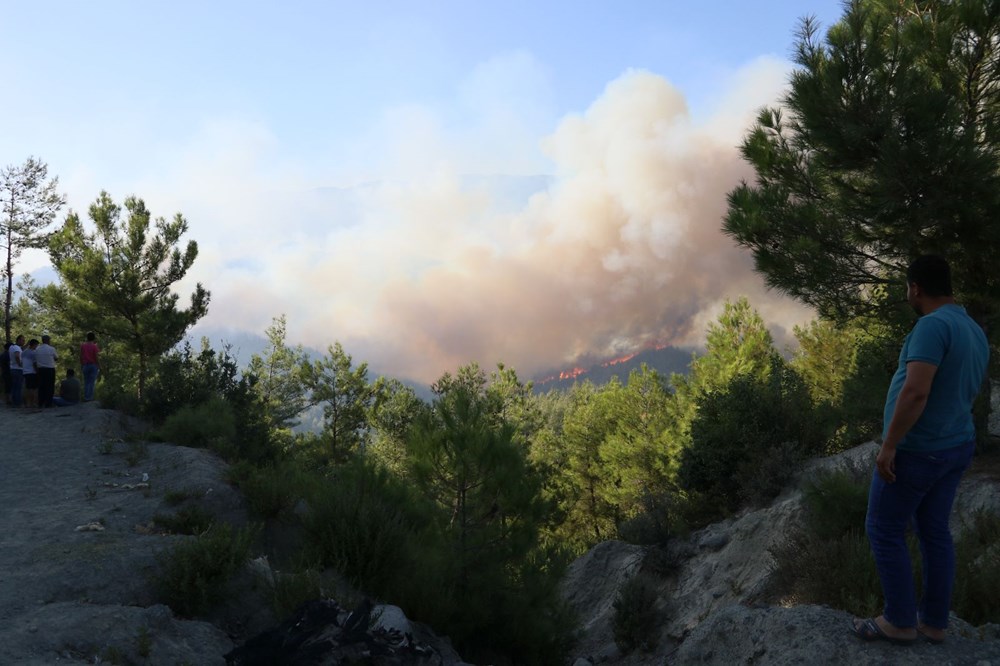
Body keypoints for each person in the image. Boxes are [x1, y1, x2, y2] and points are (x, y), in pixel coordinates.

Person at [852, 255, 989, 646]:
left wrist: (889, 445)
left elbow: (915, 391)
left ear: (915, 288)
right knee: (934, 531)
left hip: (919, 450)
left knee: (883, 528)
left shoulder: (932, 326)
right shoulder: (972, 328)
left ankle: (899, 621)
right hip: (956, 445)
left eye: (907, 287)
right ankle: (933, 623)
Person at [34, 334, 58, 408]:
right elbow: (56, 358)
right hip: (50, 369)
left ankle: (40, 403)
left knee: (41, 386)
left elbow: (35, 359)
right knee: (50, 386)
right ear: (48, 340)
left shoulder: (37, 349)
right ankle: (48, 403)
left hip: (40, 370)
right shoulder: (51, 349)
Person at [80, 332, 100, 402]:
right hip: (93, 365)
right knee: (91, 382)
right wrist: (99, 365)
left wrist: (82, 365)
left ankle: (86, 397)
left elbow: (81, 356)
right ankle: (90, 398)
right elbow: (96, 357)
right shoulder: (94, 346)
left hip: (85, 365)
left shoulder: (83, 346)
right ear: (93, 338)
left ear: (87, 337)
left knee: (86, 382)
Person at [21, 339, 38, 408]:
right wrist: (37, 371)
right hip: (32, 372)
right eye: (36, 345)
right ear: (34, 345)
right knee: (32, 388)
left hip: (25, 372)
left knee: (27, 388)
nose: (36, 347)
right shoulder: (33, 353)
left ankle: (26, 403)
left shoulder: (24, 352)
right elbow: (34, 364)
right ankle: (31, 403)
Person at [8, 335, 24, 407]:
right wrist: (20, 364)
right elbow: (17, 356)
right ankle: (18, 403)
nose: (23, 342)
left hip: (12, 368)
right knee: (18, 387)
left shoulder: (11, 347)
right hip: (18, 369)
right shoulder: (17, 348)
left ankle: (14, 402)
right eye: (22, 340)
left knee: (14, 386)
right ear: (18, 340)